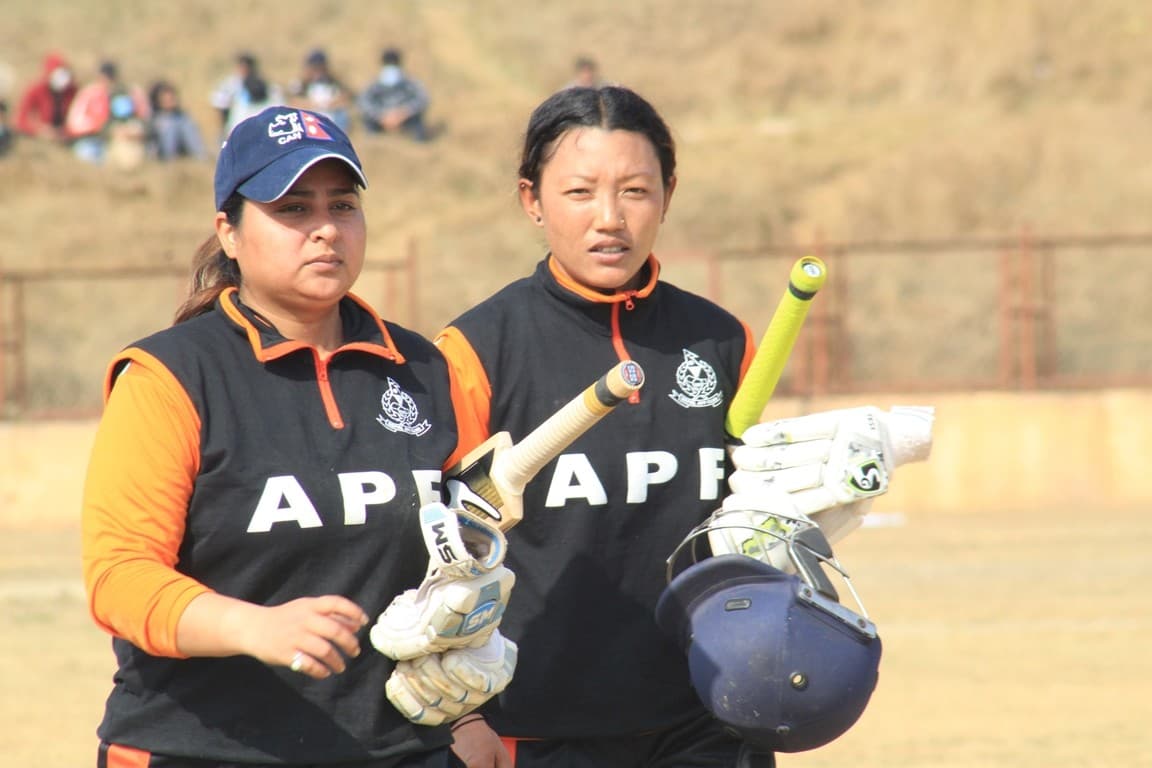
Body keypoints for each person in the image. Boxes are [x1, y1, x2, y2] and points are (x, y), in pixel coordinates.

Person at [434, 85, 933, 767]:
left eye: (635, 191)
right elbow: (436, 558)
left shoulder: (722, 340)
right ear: (531, 201)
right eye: (580, 192)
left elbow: (750, 521)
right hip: (540, 726)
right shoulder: (475, 350)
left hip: (714, 714)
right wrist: (461, 718)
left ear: (668, 193)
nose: (609, 218)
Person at [80, 106, 507, 766]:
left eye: (343, 204)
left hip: (394, 749)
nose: (326, 230)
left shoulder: (424, 369)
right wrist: (251, 626)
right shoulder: (171, 376)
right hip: (202, 747)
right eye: (294, 210)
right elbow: (120, 577)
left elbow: (459, 565)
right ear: (228, 231)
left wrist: (470, 711)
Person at [65, 59, 150, 165]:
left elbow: (144, 117)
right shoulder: (89, 94)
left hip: (124, 140)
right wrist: (104, 128)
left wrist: (134, 130)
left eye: (110, 77)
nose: (107, 81)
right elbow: (75, 123)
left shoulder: (129, 92)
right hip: (93, 139)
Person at [358, 47, 430, 142]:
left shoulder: (410, 82)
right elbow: (363, 102)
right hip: (381, 120)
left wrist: (404, 113)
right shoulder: (374, 84)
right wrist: (381, 115)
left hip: (406, 119)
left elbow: (422, 99)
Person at [211, 51, 283, 140]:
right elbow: (220, 106)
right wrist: (223, 130)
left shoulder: (266, 85)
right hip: (237, 126)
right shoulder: (231, 85)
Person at [13, 51, 76, 142]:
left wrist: (65, 131)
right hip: (38, 140)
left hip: (65, 137)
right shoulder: (36, 90)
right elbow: (20, 119)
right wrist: (40, 130)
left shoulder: (71, 90)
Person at [288, 47, 353, 133]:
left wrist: (330, 104)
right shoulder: (300, 84)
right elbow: (292, 102)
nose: (318, 72)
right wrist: (312, 105)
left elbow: (346, 97)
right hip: (309, 118)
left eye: (320, 68)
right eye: (315, 68)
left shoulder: (333, 81)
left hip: (331, 116)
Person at [147, 79, 206, 161]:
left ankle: (201, 158)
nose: (169, 102)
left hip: (184, 153)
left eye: (171, 99)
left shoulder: (183, 118)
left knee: (187, 125)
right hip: (162, 154)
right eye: (165, 100)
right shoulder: (155, 120)